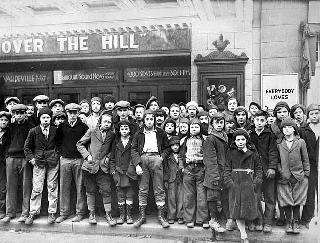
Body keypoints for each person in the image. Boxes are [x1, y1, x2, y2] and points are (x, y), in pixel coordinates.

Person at [130, 109, 170, 228]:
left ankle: (161, 217)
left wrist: (161, 158)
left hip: (156, 159)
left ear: (154, 120)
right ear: (143, 121)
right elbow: (134, 149)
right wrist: (137, 164)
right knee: (143, 188)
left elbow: (167, 148)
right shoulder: (139, 133)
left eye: (151, 119)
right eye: (146, 119)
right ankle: (142, 216)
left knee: (159, 188)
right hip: (143, 160)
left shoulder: (160, 133)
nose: (149, 121)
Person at [76, 111, 116, 226]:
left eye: (109, 122)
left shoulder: (112, 135)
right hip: (89, 167)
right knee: (90, 191)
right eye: (105, 121)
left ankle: (108, 214)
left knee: (106, 190)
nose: (107, 124)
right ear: (100, 122)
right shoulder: (92, 131)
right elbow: (79, 144)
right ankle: (91, 214)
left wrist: (108, 157)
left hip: (103, 167)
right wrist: (87, 155)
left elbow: (112, 149)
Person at [223, 129, 263, 243]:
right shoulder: (231, 152)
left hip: (249, 184)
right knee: (237, 210)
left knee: (249, 207)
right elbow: (226, 169)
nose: (240, 142)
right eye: (238, 139)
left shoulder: (252, 152)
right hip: (235, 184)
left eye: (243, 139)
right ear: (234, 141)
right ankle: (243, 235)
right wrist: (230, 183)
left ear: (247, 140)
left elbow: (259, 169)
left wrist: (255, 183)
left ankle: (250, 223)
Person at [23, 107, 60, 225]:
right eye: (43, 117)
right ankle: (33, 212)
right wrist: (32, 159)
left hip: (52, 162)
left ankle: (52, 212)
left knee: (52, 186)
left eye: (48, 117)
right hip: (38, 162)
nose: (45, 120)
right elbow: (27, 147)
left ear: (51, 119)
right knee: (37, 187)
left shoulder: (55, 130)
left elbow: (59, 145)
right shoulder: (33, 131)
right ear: (39, 118)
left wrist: (56, 155)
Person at [55, 103, 88, 223]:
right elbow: (57, 142)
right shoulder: (62, 126)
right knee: (64, 187)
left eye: (75, 113)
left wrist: (84, 157)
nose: (73, 115)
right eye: (70, 113)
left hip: (79, 160)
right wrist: (61, 154)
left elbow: (86, 142)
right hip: (65, 160)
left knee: (80, 187)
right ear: (67, 113)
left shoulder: (83, 127)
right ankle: (64, 212)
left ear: (78, 113)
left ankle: (80, 213)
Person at [277, 118, 309, 234]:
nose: (287, 129)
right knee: (286, 199)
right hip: (284, 176)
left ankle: (296, 221)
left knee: (297, 199)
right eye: (284, 127)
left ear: (294, 129)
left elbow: (305, 159)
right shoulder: (279, 143)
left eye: (290, 127)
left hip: (298, 175)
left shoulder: (300, 142)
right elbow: (277, 161)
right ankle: (288, 221)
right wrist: (281, 172)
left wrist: (306, 173)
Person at [2, 104, 33, 223]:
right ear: (13, 114)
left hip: (25, 159)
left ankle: (25, 213)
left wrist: (29, 158)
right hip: (11, 158)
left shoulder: (30, 127)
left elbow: (32, 144)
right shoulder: (11, 127)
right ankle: (10, 213)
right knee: (10, 186)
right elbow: (5, 143)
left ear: (25, 113)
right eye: (17, 113)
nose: (19, 115)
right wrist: (7, 157)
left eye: (21, 113)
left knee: (26, 187)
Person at [249, 110, 279, 233]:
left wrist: (272, 167)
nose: (259, 123)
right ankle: (258, 221)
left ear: (266, 121)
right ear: (253, 121)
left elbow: (273, 152)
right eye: (257, 120)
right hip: (255, 171)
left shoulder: (270, 135)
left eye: (262, 120)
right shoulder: (250, 135)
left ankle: (268, 222)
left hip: (267, 171)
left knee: (269, 197)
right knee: (255, 196)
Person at [180, 118, 209, 229]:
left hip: (200, 168)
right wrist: (182, 167)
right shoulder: (184, 140)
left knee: (202, 195)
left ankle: (202, 219)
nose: (194, 129)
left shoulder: (204, 139)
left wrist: (206, 167)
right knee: (189, 195)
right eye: (192, 127)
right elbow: (181, 156)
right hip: (188, 169)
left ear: (200, 128)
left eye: (196, 127)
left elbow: (207, 154)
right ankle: (189, 219)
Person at [203, 113, 228, 233]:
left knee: (222, 197)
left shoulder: (224, 136)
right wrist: (214, 176)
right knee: (213, 197)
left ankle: (222, 219)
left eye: (221, 122)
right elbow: (210, 159)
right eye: (216, 122)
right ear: (212, 124)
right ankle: (213, 220)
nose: (219, 125)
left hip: (223, 172)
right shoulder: (211, 138)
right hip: (214, 174)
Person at [110, 119, 135, 225]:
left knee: (130, 193)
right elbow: (112, 159)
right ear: (119, 130)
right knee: (120, 193)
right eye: (122, 129)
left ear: (129, 130)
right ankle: (122, 215)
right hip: (119, 171)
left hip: (130, 171)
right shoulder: (116, 142)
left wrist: (133, 169)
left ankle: (129, 215)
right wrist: (113, 171)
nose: (124, 130)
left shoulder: (133, 141)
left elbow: (135, 156)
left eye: (126, 128)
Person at [299, 104, 320, 228]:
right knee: (310, 192)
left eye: (317, 113)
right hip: (311, 164)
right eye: (311, 113)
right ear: (308, 115)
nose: (314, 116)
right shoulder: (304, 130)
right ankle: (306, 219)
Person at [163, 136, 184, 225]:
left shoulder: (182, 155)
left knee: (181, 198)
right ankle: (171, 216)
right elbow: (165, 169)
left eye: (177, 145)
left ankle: (180, 216)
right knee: (171, 198)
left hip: (181, 179)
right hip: (171, 179)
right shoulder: (168, 157)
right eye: (173, 145)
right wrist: (165, 180)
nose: (175, 147)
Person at [0, 111, 11, 219]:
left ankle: (2, 210)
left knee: (2, 187)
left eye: (6, 120)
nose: (3, 122)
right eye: (1, 120)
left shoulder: (9, 133)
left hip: (3, 163)